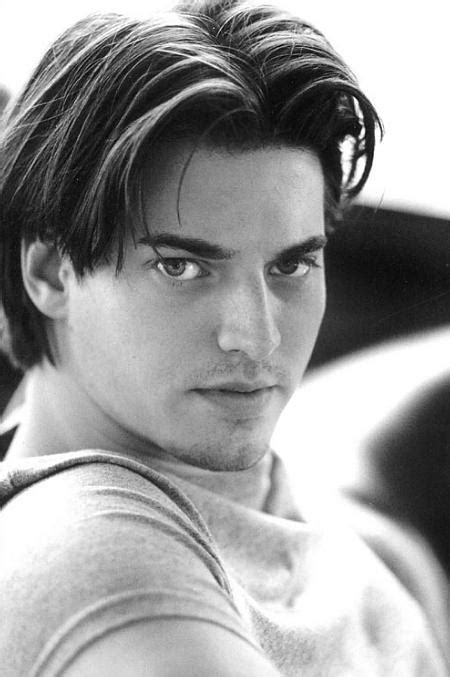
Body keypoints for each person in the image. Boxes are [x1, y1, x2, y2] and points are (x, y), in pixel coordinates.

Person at [0, 1, 446, 674]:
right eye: (181, 267)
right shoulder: (92, 556)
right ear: (47, 273)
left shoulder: (297, 516)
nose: (256, 337)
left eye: (290, 265)